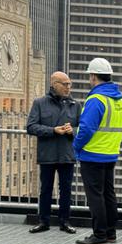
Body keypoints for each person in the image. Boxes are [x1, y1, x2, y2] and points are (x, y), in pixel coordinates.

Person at [73, 58, 122, 244]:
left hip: (92, 154)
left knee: (95, 196)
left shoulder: (96, 99)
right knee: (108, 195)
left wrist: (76, 146)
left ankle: (99, 234)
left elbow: (86, 129)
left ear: (93, 76)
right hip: (110, 154)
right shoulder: (118, 100)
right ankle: (110, 233)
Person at [26, 71, 81, 234]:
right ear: (54, 84)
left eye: (69, 84)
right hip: (47, 154)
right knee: (45, 189)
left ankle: (65, 222)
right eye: (64, 84)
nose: (68, 87)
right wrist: (53, 130)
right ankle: (43, 221)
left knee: (66, 189)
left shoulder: (75, 105)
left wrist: (73, 130)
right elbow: (31, 126)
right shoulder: (39, 103)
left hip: (67, 155)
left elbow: (82, 128)